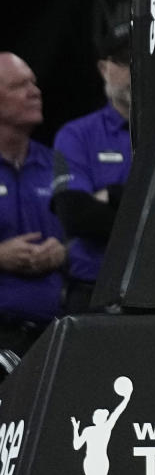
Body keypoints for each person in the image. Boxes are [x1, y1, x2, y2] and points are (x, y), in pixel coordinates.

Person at [51, 27, 132, 313]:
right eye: (124, 60)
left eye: (141, 59)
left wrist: (112, 194)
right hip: (93, 292)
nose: (134, 69)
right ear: (103, 68)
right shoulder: (76, 135)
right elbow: (76, 216)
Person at [0, 52, 66, 357]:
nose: (35, 91)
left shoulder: (57, 163)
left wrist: (64, 252)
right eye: (19, 85)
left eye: (34, 83)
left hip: (55, 333)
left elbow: (93, 240)